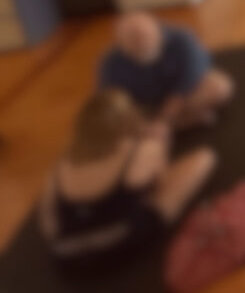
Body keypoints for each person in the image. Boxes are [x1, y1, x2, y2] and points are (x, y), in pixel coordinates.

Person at [38, 90, 216, 276]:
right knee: (204, 158)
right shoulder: (137, 151)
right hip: (125, 243)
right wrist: (161, 141)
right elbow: (161, 180)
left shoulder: (60, 167)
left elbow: (49, 223)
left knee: (122, 196)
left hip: (68, 259)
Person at [99, 13, 234, 129]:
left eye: (145, 38)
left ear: (158, 32)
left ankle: (168, 125)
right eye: (134, 42)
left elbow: (194, 73)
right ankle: (177, 124)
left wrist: (167, 114)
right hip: (145, 107)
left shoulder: (182, 39)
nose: (141, 44)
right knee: (117, 121)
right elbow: (109, 100)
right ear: (122, 44)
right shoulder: (111, 63)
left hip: (180, 97)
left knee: (221, 86)